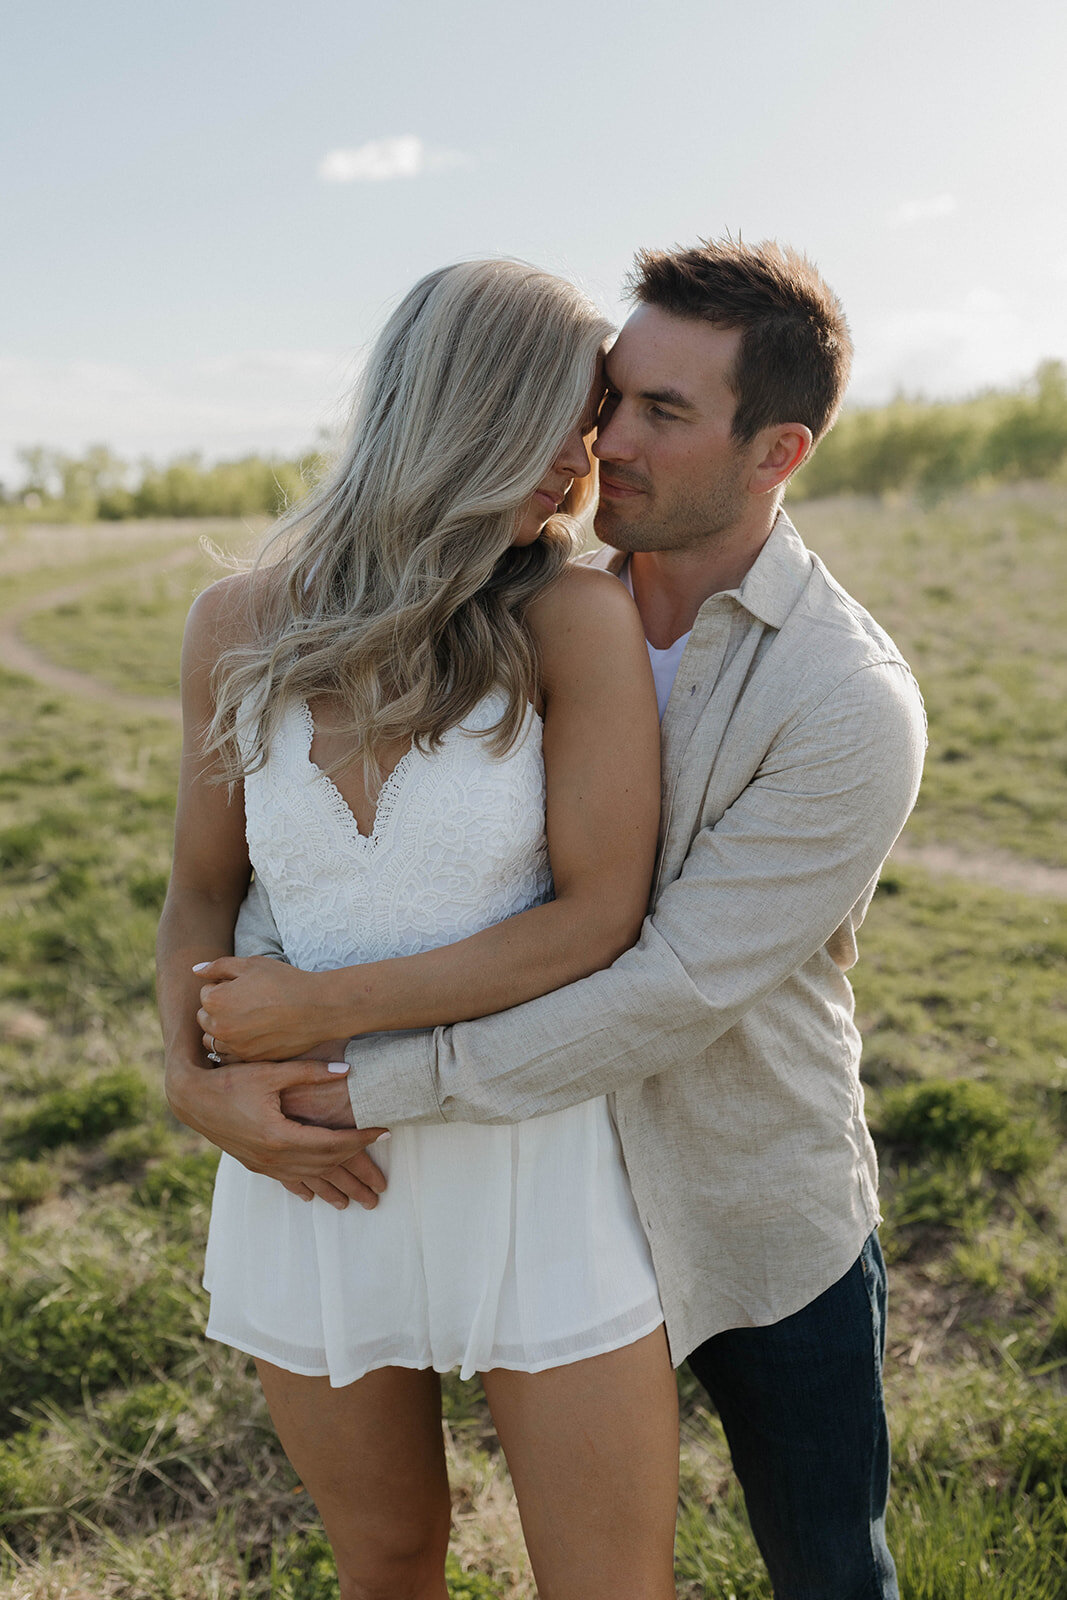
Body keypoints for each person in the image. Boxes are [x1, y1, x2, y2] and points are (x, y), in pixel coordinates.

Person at [197, 237, 928, 1600]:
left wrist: (344, 1070)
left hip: (734, 1172)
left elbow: (658, 982)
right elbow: (249, 869)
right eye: (609, 399)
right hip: (486, 1148)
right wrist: (200, 1079)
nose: (603, 443)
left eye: (658, 413)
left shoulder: (845, 701)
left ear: (777, 452)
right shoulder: (534, 595)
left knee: (827, 1563)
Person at [157, 259, 682, 1600]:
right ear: (465, 407)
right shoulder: (237, 624)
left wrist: (324, 1010)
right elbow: (199, 891)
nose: (592, 452)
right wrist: (197, 1087)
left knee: (605, 1579)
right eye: (570, 411)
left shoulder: (577, 617)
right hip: (315, 1166)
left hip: (533, 1154)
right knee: (387, 1557)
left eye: (609, 412)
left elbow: (599, 918)